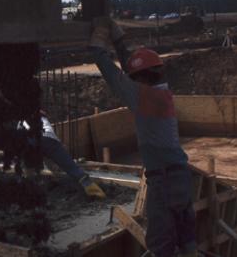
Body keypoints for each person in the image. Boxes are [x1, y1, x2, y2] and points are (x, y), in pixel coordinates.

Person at [90, 17, 197, 257]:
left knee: (160, 246)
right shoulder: (162, 91)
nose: (132, 79)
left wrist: (97, 47)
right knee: (186, 239)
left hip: (164, 181)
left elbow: (113, 75)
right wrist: (117, 38)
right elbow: (133, 68)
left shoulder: (143, 97)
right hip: (181, 176)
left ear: (142, 78)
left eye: (135, 77)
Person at [17, 113, 106, 199]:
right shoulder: (43, 119)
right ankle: (97, 193)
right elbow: (50, 153)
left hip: (31, 142)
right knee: (73, 169)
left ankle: (28, 191)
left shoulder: (20, 122)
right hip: (49, 140)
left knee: (29, 170)